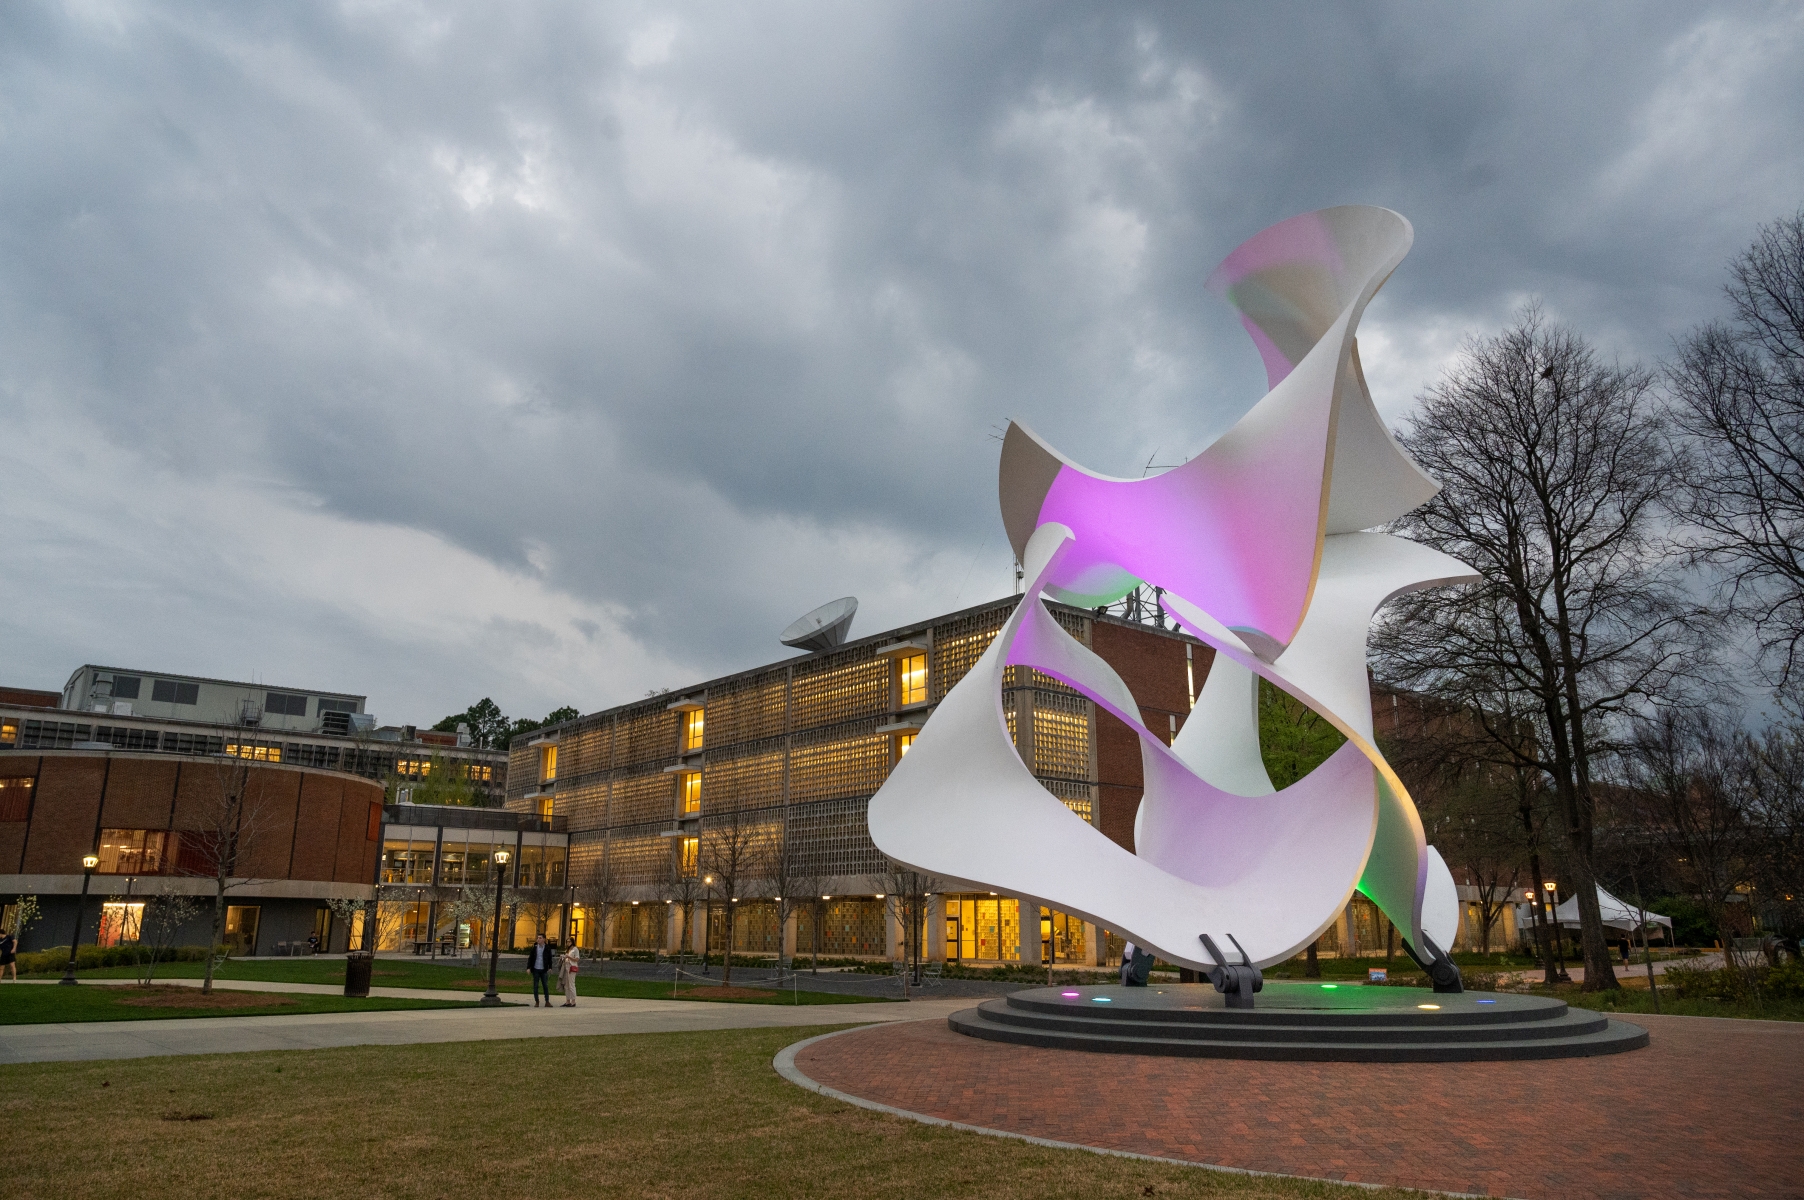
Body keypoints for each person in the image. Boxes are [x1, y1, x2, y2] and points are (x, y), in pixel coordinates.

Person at [525, 934, 555, 1007]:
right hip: (536, 969)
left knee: (545, 985)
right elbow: (530, 958)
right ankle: (537, 1001)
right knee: (535, 985)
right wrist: (528, 968)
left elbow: (549, 958)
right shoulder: (535, 947)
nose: (538, 939)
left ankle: (547, 1001)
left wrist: (550, 967)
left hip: (543, 969)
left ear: (544, 939)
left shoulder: (547, 948)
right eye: (538, 938)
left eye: (540, 938)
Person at [559, 941, 581, 1007]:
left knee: (571, 984)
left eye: (569, 941)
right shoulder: (568, 950)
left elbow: (577, 959)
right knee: (566, 985)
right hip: (566, 967)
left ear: (572, 942)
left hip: (572, 967)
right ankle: (567, 1001)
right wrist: (563, 957)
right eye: (567, 942)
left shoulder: (575, 949)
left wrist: (568, 957)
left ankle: (573, 1001)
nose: (568, 943)